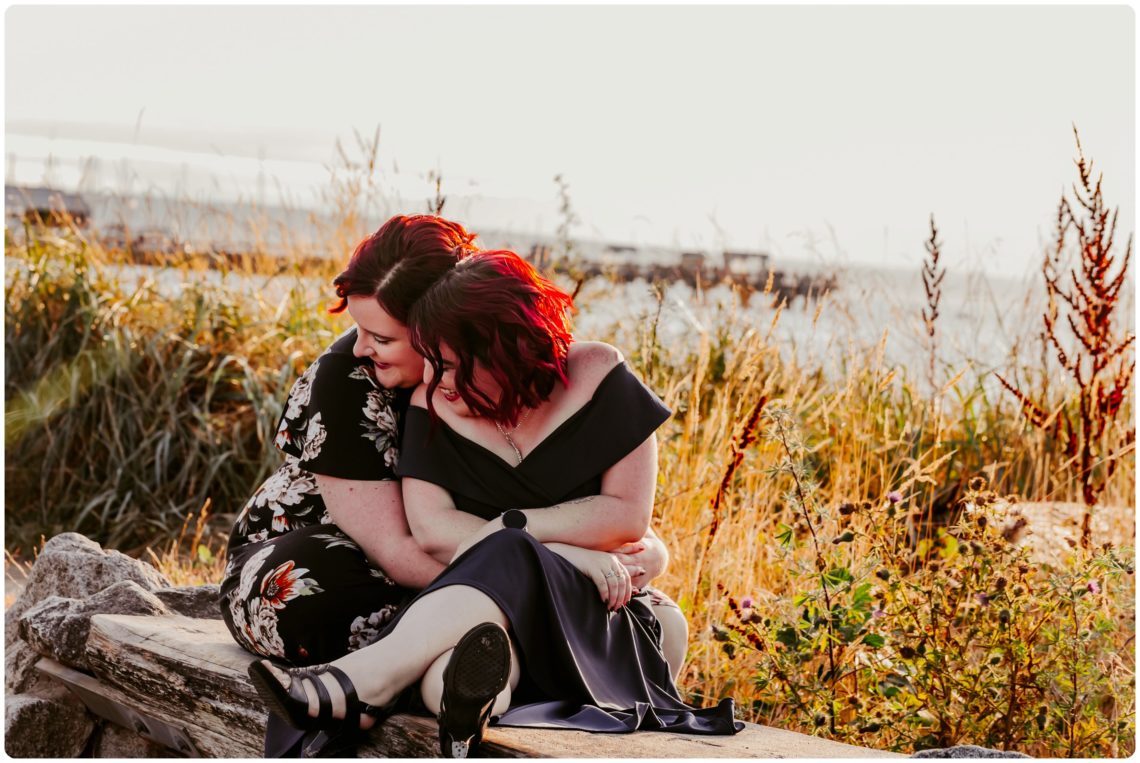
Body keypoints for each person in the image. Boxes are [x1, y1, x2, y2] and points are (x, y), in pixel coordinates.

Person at [246, 249, 741, 758]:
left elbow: (626, 518)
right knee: (465, 660)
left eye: (452, 365)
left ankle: (357, 686)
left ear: (509, 351)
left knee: (507, 548)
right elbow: (433, 531)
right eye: (432, 362)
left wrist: (518, 530)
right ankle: (467, 718)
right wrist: (560, 552)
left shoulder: (602, 376)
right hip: (493, 610)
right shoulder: (431, 403)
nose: (436, 380)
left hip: (593, 608)